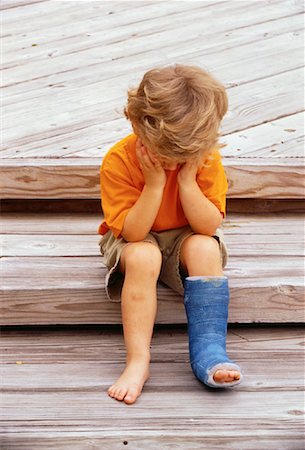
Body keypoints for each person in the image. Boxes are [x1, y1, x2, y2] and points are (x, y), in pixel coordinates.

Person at [98, 64, 243, 405]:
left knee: (205, 248)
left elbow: (208, 226)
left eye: (185, 155)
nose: (176, 161)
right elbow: (133, 233)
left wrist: (187, 181)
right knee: (144, 255)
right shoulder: (118, 160)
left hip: (186, 233)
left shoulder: (204, 157)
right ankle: (138, 360)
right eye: (168, 154)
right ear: (135, 123)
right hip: (134, 236)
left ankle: (210, 351)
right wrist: (154, 184)